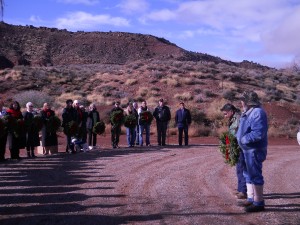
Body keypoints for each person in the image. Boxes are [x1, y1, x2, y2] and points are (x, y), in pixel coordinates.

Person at [236, 91, 268, 213]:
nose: (241, 102)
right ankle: (251, 198)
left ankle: (259, 202)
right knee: (247, 174)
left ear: (249, 101)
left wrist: (243, 139)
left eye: (243, 100)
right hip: (247, 149)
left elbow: (258, 133)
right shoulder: (248, 112)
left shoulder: (258, 113)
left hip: (254, 150)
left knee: (255, 175)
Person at [221, 103, 247, 200]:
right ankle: (241, 189)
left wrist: (234, 140)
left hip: (241, 146)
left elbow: (240, 132)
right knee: (239, 168)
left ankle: (244, 191)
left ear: (231, 111)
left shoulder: (239, 118)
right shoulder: (233, 118)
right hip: (237, 145)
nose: (224, 115)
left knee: (242, 168)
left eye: (225, 113)